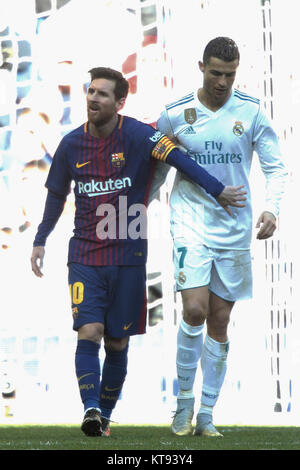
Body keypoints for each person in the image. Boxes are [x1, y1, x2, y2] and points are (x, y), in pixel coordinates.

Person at [30, 66, 246, 438]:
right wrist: (40, 238)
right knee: (90, 330)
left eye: (101, 93)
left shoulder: (140, 136)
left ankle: (104, 416)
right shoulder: (70, 144)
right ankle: (91, 408)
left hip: (129, 256)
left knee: (117, 340)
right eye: (90, 91)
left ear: (119, 102)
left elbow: (181, 160)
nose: (93, 98)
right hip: (85, 254)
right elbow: (55, 196)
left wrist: (217, 189)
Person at [154, 37, 288, 437]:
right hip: (190, 222)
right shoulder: (176, 114)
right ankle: (183, 404)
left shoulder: (250, 111)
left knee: (221, 319)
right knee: (194, 310)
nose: (223, 82)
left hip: (234, 228)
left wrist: (272, 208)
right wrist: (138, 205)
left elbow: (275, 168)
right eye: (215, 73)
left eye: (230, 74)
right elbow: (158, 163)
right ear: (200, 67)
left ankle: (207, 414)